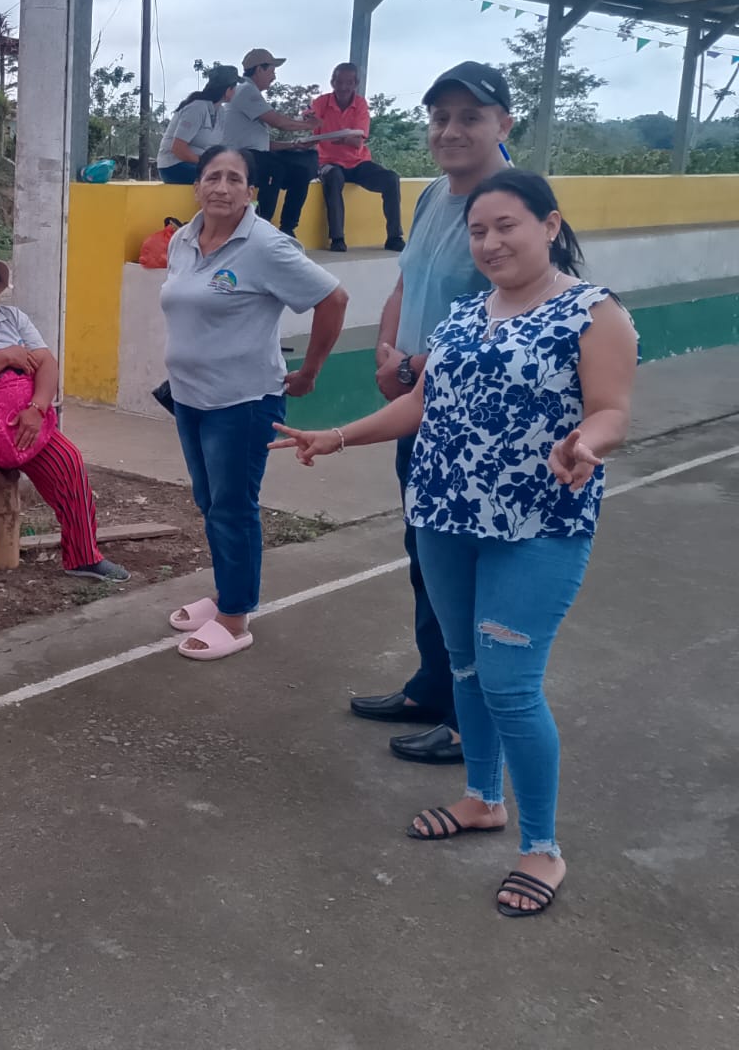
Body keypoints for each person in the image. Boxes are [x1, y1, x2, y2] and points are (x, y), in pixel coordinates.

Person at [271, 170, 638, 917]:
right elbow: (420, 403)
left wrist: (586, 445)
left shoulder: (594, 313)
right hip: (442, 517)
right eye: (477, 231)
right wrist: (337, 436)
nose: (491, 242)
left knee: (511, 685)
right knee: (465, 666)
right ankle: (481, 800)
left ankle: (542, 848)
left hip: (536, 527)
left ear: (549, 224)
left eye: (507, 226)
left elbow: (611, 411)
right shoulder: (466, 314)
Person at [350, 61, 516, 768]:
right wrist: (388, 354)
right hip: (418, 411)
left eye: (470, 117)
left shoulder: (511, 206)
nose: (450, 130)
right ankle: (432, 686)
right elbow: (405, 283)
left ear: (504, 124)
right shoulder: (428, 197)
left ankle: (467, 720)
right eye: (441, 117)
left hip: (476, 430)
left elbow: (516, 316)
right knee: (427, 559)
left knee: (470, 576)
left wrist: (413, 368)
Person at [160, 146, 348, 659]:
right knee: (210, 501)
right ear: (197, 185)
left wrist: (310, 371)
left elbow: (333, 298)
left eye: (234, 179)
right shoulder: (183, 238)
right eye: (212, 177)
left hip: (242, 403)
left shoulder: (266, 246)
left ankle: (235, 616)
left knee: (233, 507)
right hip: (190, 398)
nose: (221, 187)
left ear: (251, 191)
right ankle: (228, 591)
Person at [0, 245, 130, 600]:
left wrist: (37, 408)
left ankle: (83, 555)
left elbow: (47, 363)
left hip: (17, 419)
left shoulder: (14, 319)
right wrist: (6, 356)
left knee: (68, 460)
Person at [217, 48, 320, 236]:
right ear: (259, 70)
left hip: (252, 153)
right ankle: (262, 227)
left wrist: (293, 145)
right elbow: (279, 122)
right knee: (274, 169)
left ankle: (287, 229)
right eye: (272, 71)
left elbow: (261, 143)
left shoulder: (248, 92)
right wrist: (310, 125)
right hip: (239, 156)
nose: (274, 77)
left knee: (300, 172)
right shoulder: (247, 91)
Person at [309, 62, 404, 253]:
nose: (343, 87)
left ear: (356, 84)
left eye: (349, 82)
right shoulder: (321, 102)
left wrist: (341, 138)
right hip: (328, 161)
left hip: (358, 163)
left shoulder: (360, 104)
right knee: (333, 176)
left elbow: (357, 141)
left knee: (391, 179)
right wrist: (308, 120)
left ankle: (394, 237)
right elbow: (310, 124)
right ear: (332, 82)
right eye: (339, 82)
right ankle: (337, 238)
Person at [156, 64, 241, 185]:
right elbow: (178, 148)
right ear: (228, 90)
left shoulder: (220, 112)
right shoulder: (197, 108)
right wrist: (207, 163)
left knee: (236, 177)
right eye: (235, 87)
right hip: (173, 166)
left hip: (198, 165)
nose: (236, 91)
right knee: (222, 180)